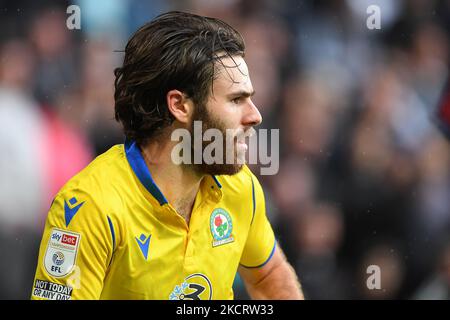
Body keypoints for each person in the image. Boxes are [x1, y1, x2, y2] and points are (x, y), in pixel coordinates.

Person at [31, 11, 303, 300]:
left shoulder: (240, 187)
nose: (255, 116)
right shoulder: (90, 207)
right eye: (236, 100)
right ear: (179, 105)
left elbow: (269, 275)